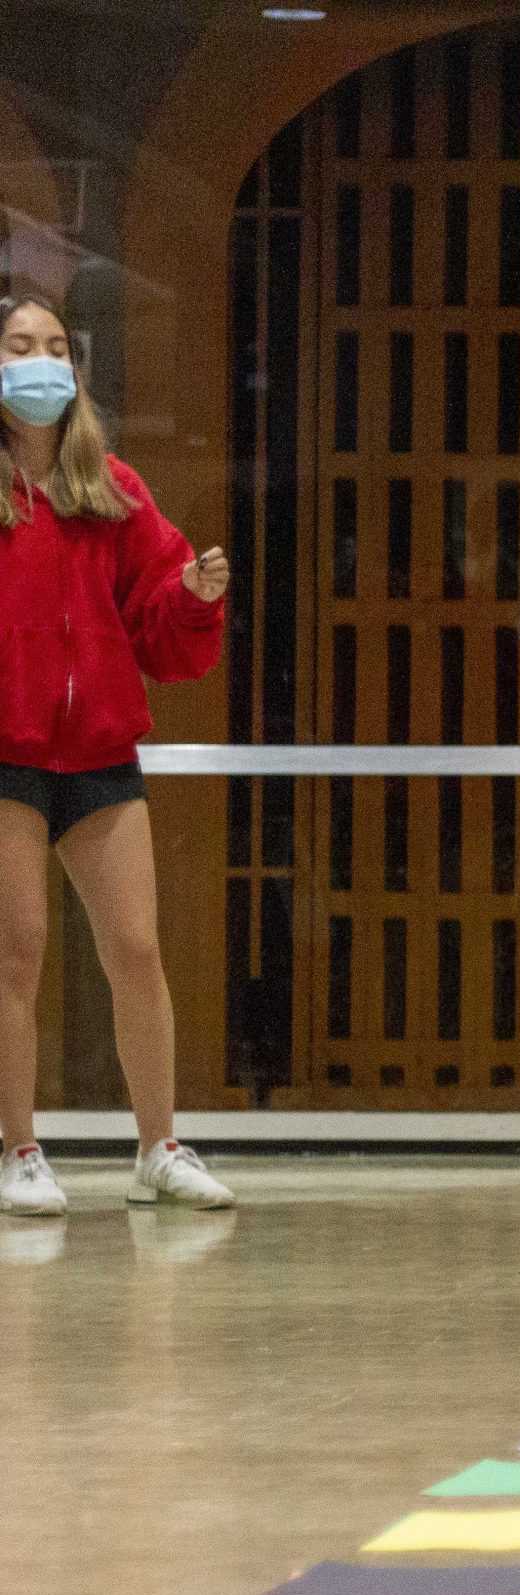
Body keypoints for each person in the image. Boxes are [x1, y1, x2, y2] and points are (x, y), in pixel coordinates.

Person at [0, 294, 235, 1217]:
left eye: (55, 345)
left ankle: (157, 1146)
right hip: (7, 754)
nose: (40, 361)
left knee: (136, 950)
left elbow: (165, 635)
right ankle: (19, 1148)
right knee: (17, 954)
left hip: (97, 755)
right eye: (19, 345)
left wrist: (194, 591)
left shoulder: (115, 489)